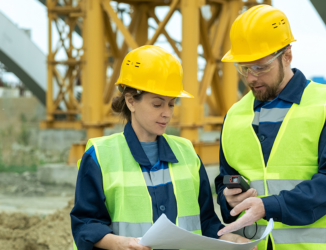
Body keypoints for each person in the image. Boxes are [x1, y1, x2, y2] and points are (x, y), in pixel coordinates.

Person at [70, 45, 256, 250]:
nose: (167, 113)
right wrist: (120, 243)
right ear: (131, 101)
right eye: (157, 105)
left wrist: (229, 239)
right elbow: (85, 224)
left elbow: (205, 223)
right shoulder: (99, 156)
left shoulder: (187, 154)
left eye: (171, 104)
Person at [215, 5, 326, 250]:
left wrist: (269, 206)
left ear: (287, 55)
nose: (251, 78)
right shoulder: (234, 115)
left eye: (260, 67)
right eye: (244, 68)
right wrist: (227, 199)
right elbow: (225, 179)